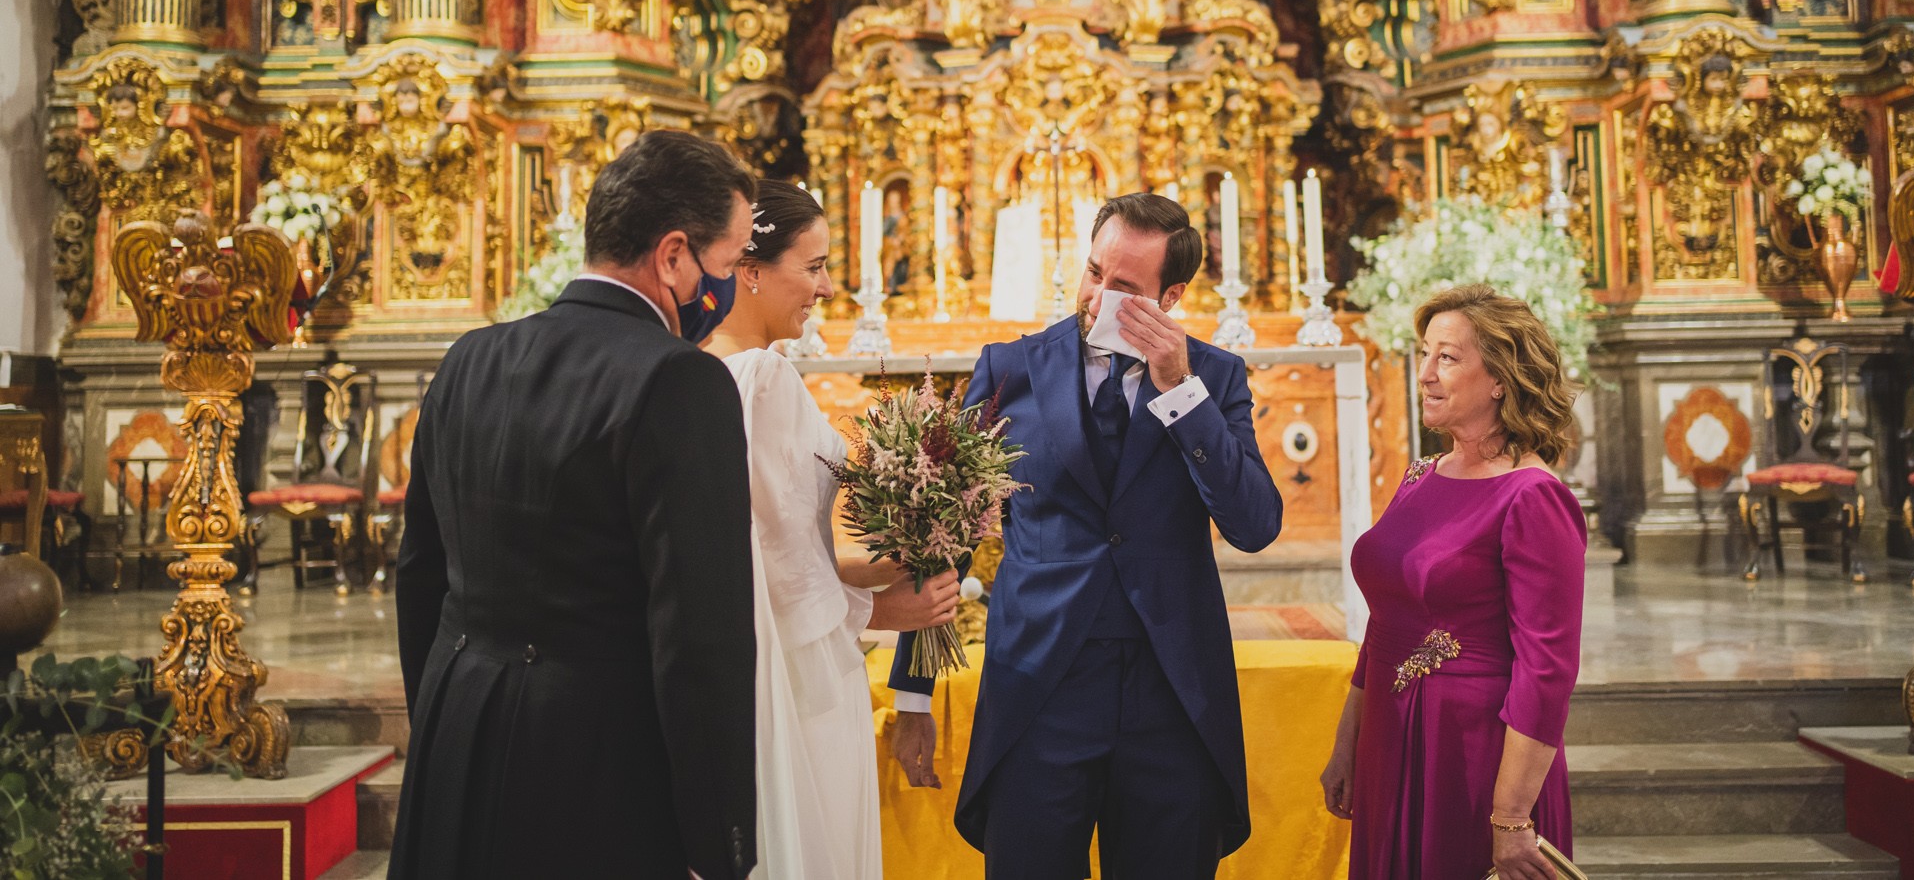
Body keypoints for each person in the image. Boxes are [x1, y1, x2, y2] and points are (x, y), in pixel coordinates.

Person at [390, 130, 761, 880]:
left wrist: (441, 714)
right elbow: (699, 640)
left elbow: (419, 575)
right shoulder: (678, 381)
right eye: (728, 265)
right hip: (595, 771)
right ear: (674, 255)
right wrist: (717, 838)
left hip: (455, 737)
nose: (728, 288)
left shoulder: (469, 358)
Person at [888, 193, 1283, 879]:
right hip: (1039, 685)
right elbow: (942, 527)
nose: (1097, 295)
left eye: (1125, 287)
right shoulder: (1009, 368)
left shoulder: (1213, 378)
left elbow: (1254, 524)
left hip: (1172, 692)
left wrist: (1179, 388)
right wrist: (913, 693)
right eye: (1094, 270)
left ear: (1173, 294)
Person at [702, 181, 960, 880]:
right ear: (749, 269)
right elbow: (772, 559)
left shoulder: (706, 370)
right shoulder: (760, 376)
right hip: (801, 671)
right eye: (812, 266)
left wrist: (879, 556)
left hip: (766, 657)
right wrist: (879, 608)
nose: (825, 286)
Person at [1320, 283, 1586, 880]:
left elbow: (1547, 672)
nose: (1425, 374)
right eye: (1424, 353)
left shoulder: (1535, 496)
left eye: (1447, 357)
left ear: (1499, 378)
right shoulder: (1420, 475)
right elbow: (1386, 625)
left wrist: (1513, 817)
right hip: (1392, 737)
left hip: (1473, 755)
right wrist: (1349, 742)